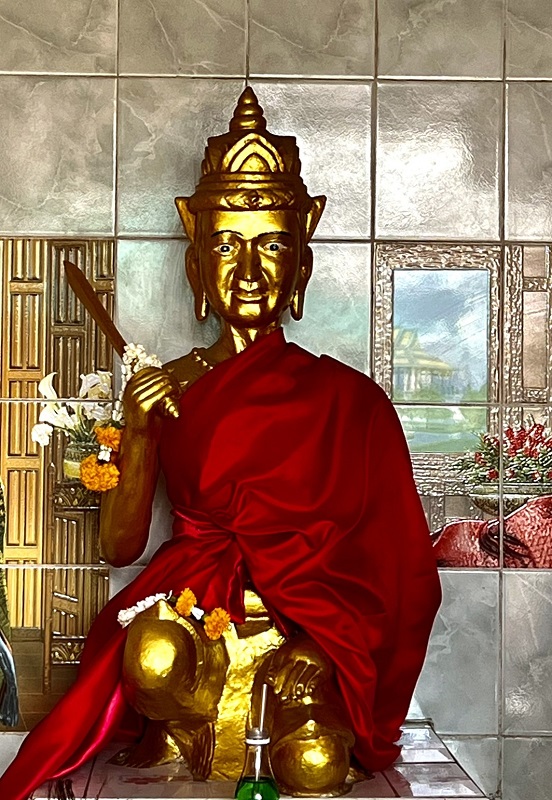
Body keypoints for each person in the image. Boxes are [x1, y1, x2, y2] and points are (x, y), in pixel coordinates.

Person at [0, 88, 441, 800]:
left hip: (304, 640)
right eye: (227, 245)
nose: (249, 270)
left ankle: (279, 722)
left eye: (272, 244)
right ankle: (188, 727)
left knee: (316, 767)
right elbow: (119, 548)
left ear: (302, 261)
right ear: (195, 261)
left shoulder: (351, 402)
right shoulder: (167, 390)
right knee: (150, 658)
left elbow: (400, 574)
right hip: (197, 622)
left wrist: (322, 645)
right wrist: (138, 430)